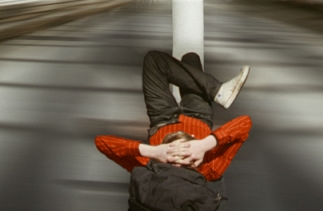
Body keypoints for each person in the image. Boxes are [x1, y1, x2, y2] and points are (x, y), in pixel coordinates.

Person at [95, 50, 251, 182]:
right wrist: (203, 145)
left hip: (162, 117)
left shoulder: (152, 168)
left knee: (154, 60)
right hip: (198, 116)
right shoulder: (209, 171)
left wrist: (156, 152)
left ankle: (216, 89)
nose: (179, 161)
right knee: (191, 59)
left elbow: (103, 143)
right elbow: (244, 124)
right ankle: (218, 91)